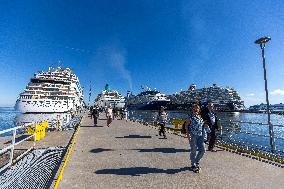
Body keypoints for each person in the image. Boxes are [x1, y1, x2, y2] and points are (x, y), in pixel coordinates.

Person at [185, 103, 209, 173]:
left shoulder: (200, 117)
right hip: (193, 135)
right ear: (192, 109)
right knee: (193, 150)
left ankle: (196, 161)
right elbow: (186, 126)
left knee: (203, 150)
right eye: (194, 108)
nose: (196, 109)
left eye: (197, 108)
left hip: (200, 136)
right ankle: (193, 164)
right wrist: (188, 135)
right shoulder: (190, 117)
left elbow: (201, 126)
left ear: (199, 109)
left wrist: (205, 126)